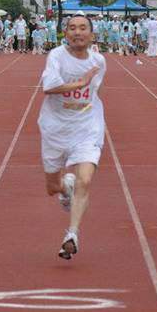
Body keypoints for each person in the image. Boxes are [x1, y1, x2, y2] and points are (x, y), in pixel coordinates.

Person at [37, 14, 106, 260]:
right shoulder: (56, 56)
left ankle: (72, 235)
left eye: (83, 28)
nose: (77, 32)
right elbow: (49, 86)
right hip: (55, 128)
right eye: (72, 28)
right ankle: (65, 187)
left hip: (87, 127)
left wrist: (86, 97)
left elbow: (95, 91)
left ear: (91, 34)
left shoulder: (99, 60)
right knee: (51, 187)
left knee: (85, 181)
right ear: (65, 33)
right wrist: (81, 83)